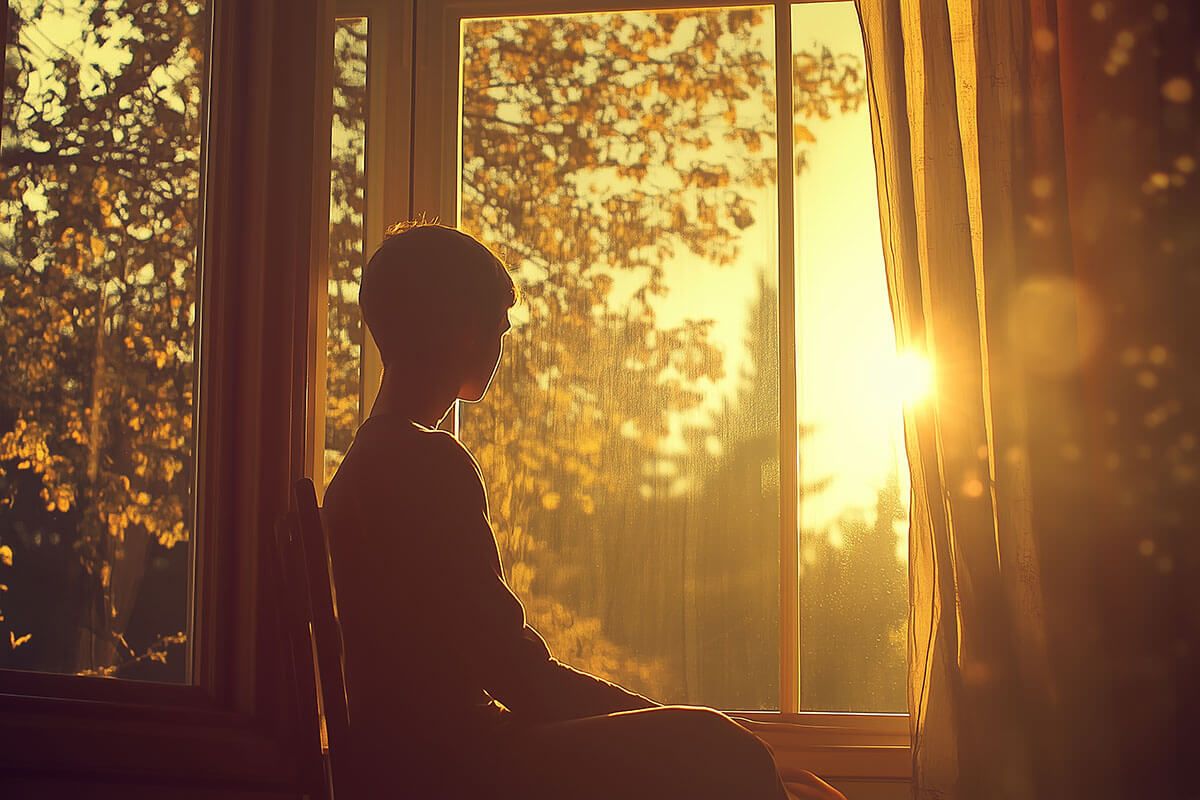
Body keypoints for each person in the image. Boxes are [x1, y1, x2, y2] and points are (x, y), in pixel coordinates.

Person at [322, 222, 845, 800]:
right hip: (456, 767)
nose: (501, 341)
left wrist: (658, 724)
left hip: (416, 760)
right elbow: (512, 670)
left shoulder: (363, 468)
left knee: (711, 740)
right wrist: (676, 727)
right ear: (457, 328)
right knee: (719, 746)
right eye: (496, 326)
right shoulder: (425, 462)